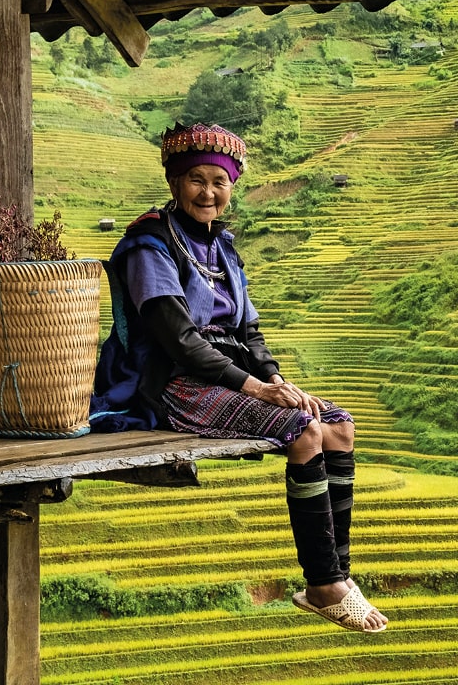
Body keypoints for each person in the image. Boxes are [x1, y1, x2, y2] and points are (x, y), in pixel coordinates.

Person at [89, 122, 387, 633]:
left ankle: (336, 575)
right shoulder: (148, 245)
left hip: (232, 374)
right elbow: (177, 338)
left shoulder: (223, 247)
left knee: (338, 425)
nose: (209, 192)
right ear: (174, 182)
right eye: (197, 180)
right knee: (303, 430)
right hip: (173, 380)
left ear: (232, 188)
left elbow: (250, 329)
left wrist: (275, 377)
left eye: (219, 182)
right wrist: (255, 387)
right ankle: (323, 583)